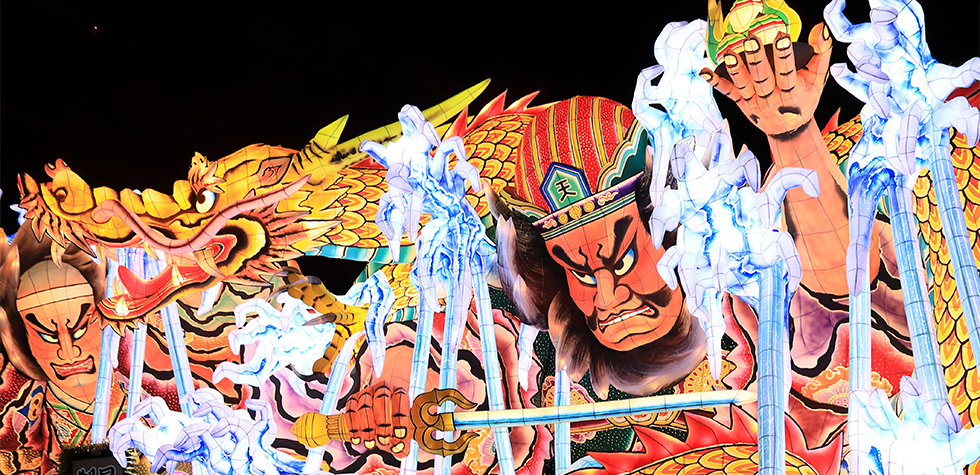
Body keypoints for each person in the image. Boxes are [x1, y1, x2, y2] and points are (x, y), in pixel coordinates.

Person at [0, 229, 127, 474]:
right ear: (22, 339)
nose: (68, 352)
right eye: (47, 335)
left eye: (80, 328)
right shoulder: (18, 428)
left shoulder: (155, 395)